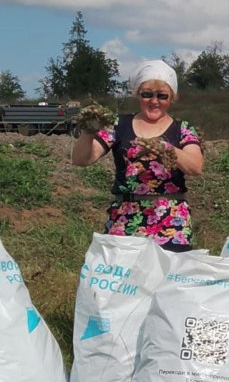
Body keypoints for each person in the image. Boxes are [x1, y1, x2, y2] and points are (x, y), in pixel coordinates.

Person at [71, 60, 204, 252]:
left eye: (162, 96)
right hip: (125, 216)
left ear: (171, 98)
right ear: (138, 95)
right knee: (123, 277)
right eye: (147, 95)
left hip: (170, 219)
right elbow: (82, 159)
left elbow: (195, 167)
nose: (154, 101)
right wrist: (88, 132)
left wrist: (167, 149)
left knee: (166, 279)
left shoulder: (182, 130)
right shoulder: (119, 125)